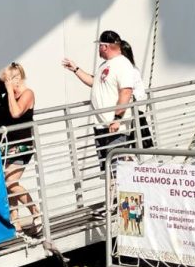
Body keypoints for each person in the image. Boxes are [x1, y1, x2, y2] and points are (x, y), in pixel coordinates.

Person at [62, 30, 135, 172]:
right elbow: (94, 82)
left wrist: (117, 118)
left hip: (114, 127)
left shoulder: (122, 64)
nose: (98, 50)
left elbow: (126, 92)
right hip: (102, 126)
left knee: (116, 169)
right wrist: (75, 69)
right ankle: (112, 194)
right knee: (107, 170)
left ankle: (117, 194)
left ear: (105, 47)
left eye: (99, 46)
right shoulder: (105, 65)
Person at [0, 63, 40, 235]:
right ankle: (15, 220)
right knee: (9, 183)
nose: (7, 83)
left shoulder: (27, 94)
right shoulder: (6, 94)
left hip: (22, 144)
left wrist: (10, 91)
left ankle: (36, 212)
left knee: (9, 181)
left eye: (9, 80)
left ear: (17, 78)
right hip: (5, 145)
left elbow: (16, 113)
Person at [120, 41, 153, 149]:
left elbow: (140, 92)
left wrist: (130, 96)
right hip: (119, 114)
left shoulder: (133, 71)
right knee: (122, 147)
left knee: (134, 146)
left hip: (131, 114)